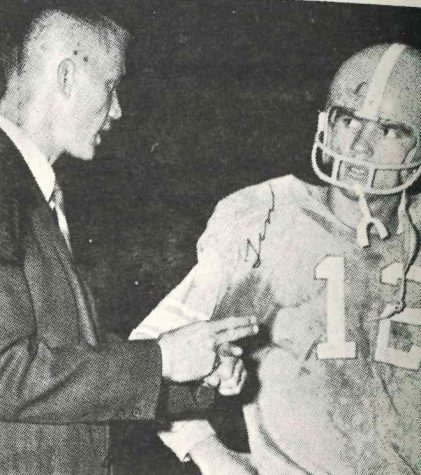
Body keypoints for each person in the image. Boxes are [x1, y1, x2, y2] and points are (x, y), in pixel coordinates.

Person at [131, 43, 421, 474]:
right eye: (348, 121)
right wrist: (211, 453)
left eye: (390, 130)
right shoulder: (269, 219)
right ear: (327, 123)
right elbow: (147, 356)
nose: (360, 145)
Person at [0, 6, 258, 474]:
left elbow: (67, 360)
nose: (117, 109)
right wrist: (161, 359)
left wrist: (196, 375)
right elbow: (5, 373)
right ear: (66, 78)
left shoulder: (30, 189)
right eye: (110, 86)